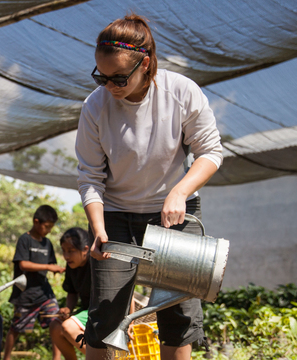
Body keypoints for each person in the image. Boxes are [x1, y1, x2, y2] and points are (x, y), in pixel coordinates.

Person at [76, 14, 223, 360]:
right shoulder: (95, 106)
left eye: (118, 77)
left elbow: (211, 151)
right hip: (114, 219)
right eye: (101, 76)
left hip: (174, 216)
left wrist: (179, 191)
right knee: (105, 318)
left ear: (146, 63)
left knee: (178, 314)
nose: (109, 85)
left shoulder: (181, 92)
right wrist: (98, 229)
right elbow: (90, 177)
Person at [2, 205, 65, 360]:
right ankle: (6, 357)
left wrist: (57, 269)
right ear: (36, 222)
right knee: (16, 328)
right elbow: (23, 264)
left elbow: (51, 264)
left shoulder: (47, 243)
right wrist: (48, 267)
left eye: (51, 227)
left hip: (44, 293)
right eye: (47, 226)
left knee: (56, 322)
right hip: (25, 294)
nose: (49, 230)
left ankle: (56, 358)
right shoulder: (25, 239)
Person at [49, 227, 91, 360]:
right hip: (87, 310)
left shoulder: (96, 264)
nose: (66, 256)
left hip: (101, 311)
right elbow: (72, 292)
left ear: (85, 249)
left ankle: (102, 357)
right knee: (55, 326)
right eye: (64, 251)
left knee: (68, 327)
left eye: (71, 251)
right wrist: (68, 308)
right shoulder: (71, 266)